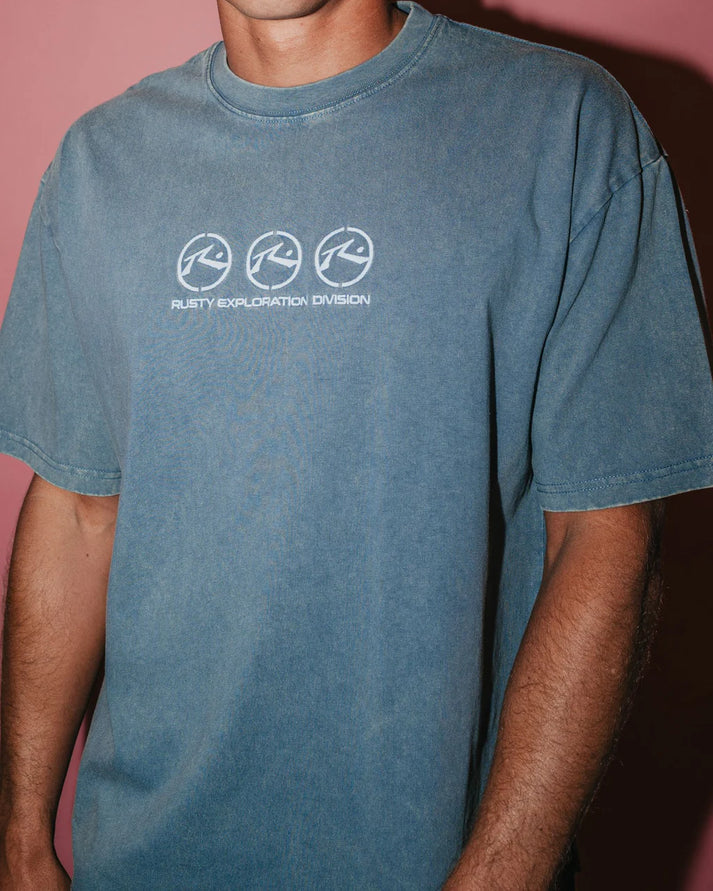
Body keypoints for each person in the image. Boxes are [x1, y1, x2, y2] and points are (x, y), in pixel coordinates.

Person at [0, 1, 712, 888]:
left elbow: (603, 535)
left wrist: (502, 871)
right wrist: (20, 835)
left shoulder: (564, 125)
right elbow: (76, 508)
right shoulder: (99, 162)